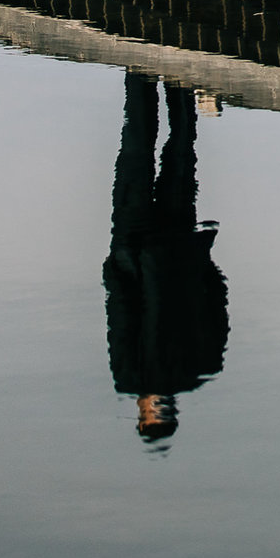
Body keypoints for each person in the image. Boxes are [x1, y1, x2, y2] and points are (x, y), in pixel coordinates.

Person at [103, 73, 229, 445]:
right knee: (143, 149)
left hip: (165, 247)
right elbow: (120, 314)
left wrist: (204, 262)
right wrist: (117, 266)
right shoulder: (140, 377)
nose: (154, 408)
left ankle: (173, 77)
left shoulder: (200, 369)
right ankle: (147, 72)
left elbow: (218, 308)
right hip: (146, 245)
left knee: (173, 150)